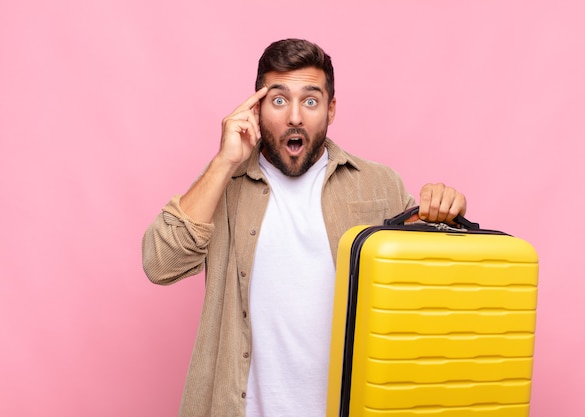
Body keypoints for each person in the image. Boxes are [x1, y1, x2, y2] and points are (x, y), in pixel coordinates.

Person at [142, 38, 467, 417]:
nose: (294, 116)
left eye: (310, 101)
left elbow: (428, 292)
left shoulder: (379, 185)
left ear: (330, 110)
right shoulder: (223, 185)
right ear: (256, 109)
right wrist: (224, 160)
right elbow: (160, 263)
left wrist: (445, 218)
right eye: (278, 100)